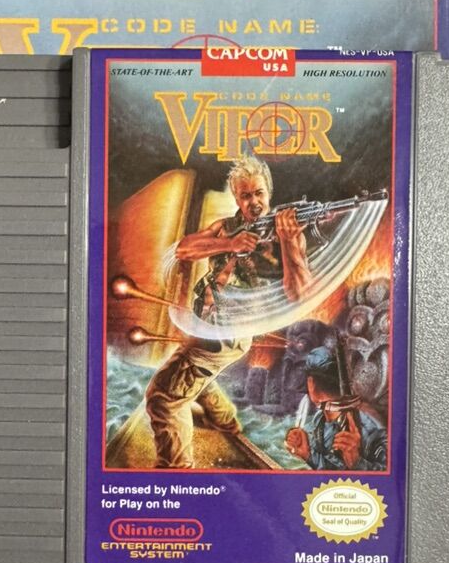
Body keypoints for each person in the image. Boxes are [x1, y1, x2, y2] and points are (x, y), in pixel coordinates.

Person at [145, 155, 312, 469]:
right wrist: (228, 245)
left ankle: (175, 473)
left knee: (163, 398)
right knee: (195, 375)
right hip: (204, 321)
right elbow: (184, 249)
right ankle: (225, 421)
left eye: (259, 193)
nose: (254, 202)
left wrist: (289, 243)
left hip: (227, 333)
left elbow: (299, 294)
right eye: (245, 195)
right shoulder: (226, 228)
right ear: (236, 198)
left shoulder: (286, 235)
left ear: (269, 193)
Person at [284, 345, 387, 471]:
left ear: (311, 384)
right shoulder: (319, 420)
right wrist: (308, 455)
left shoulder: (372, 431)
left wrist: (357, 463)